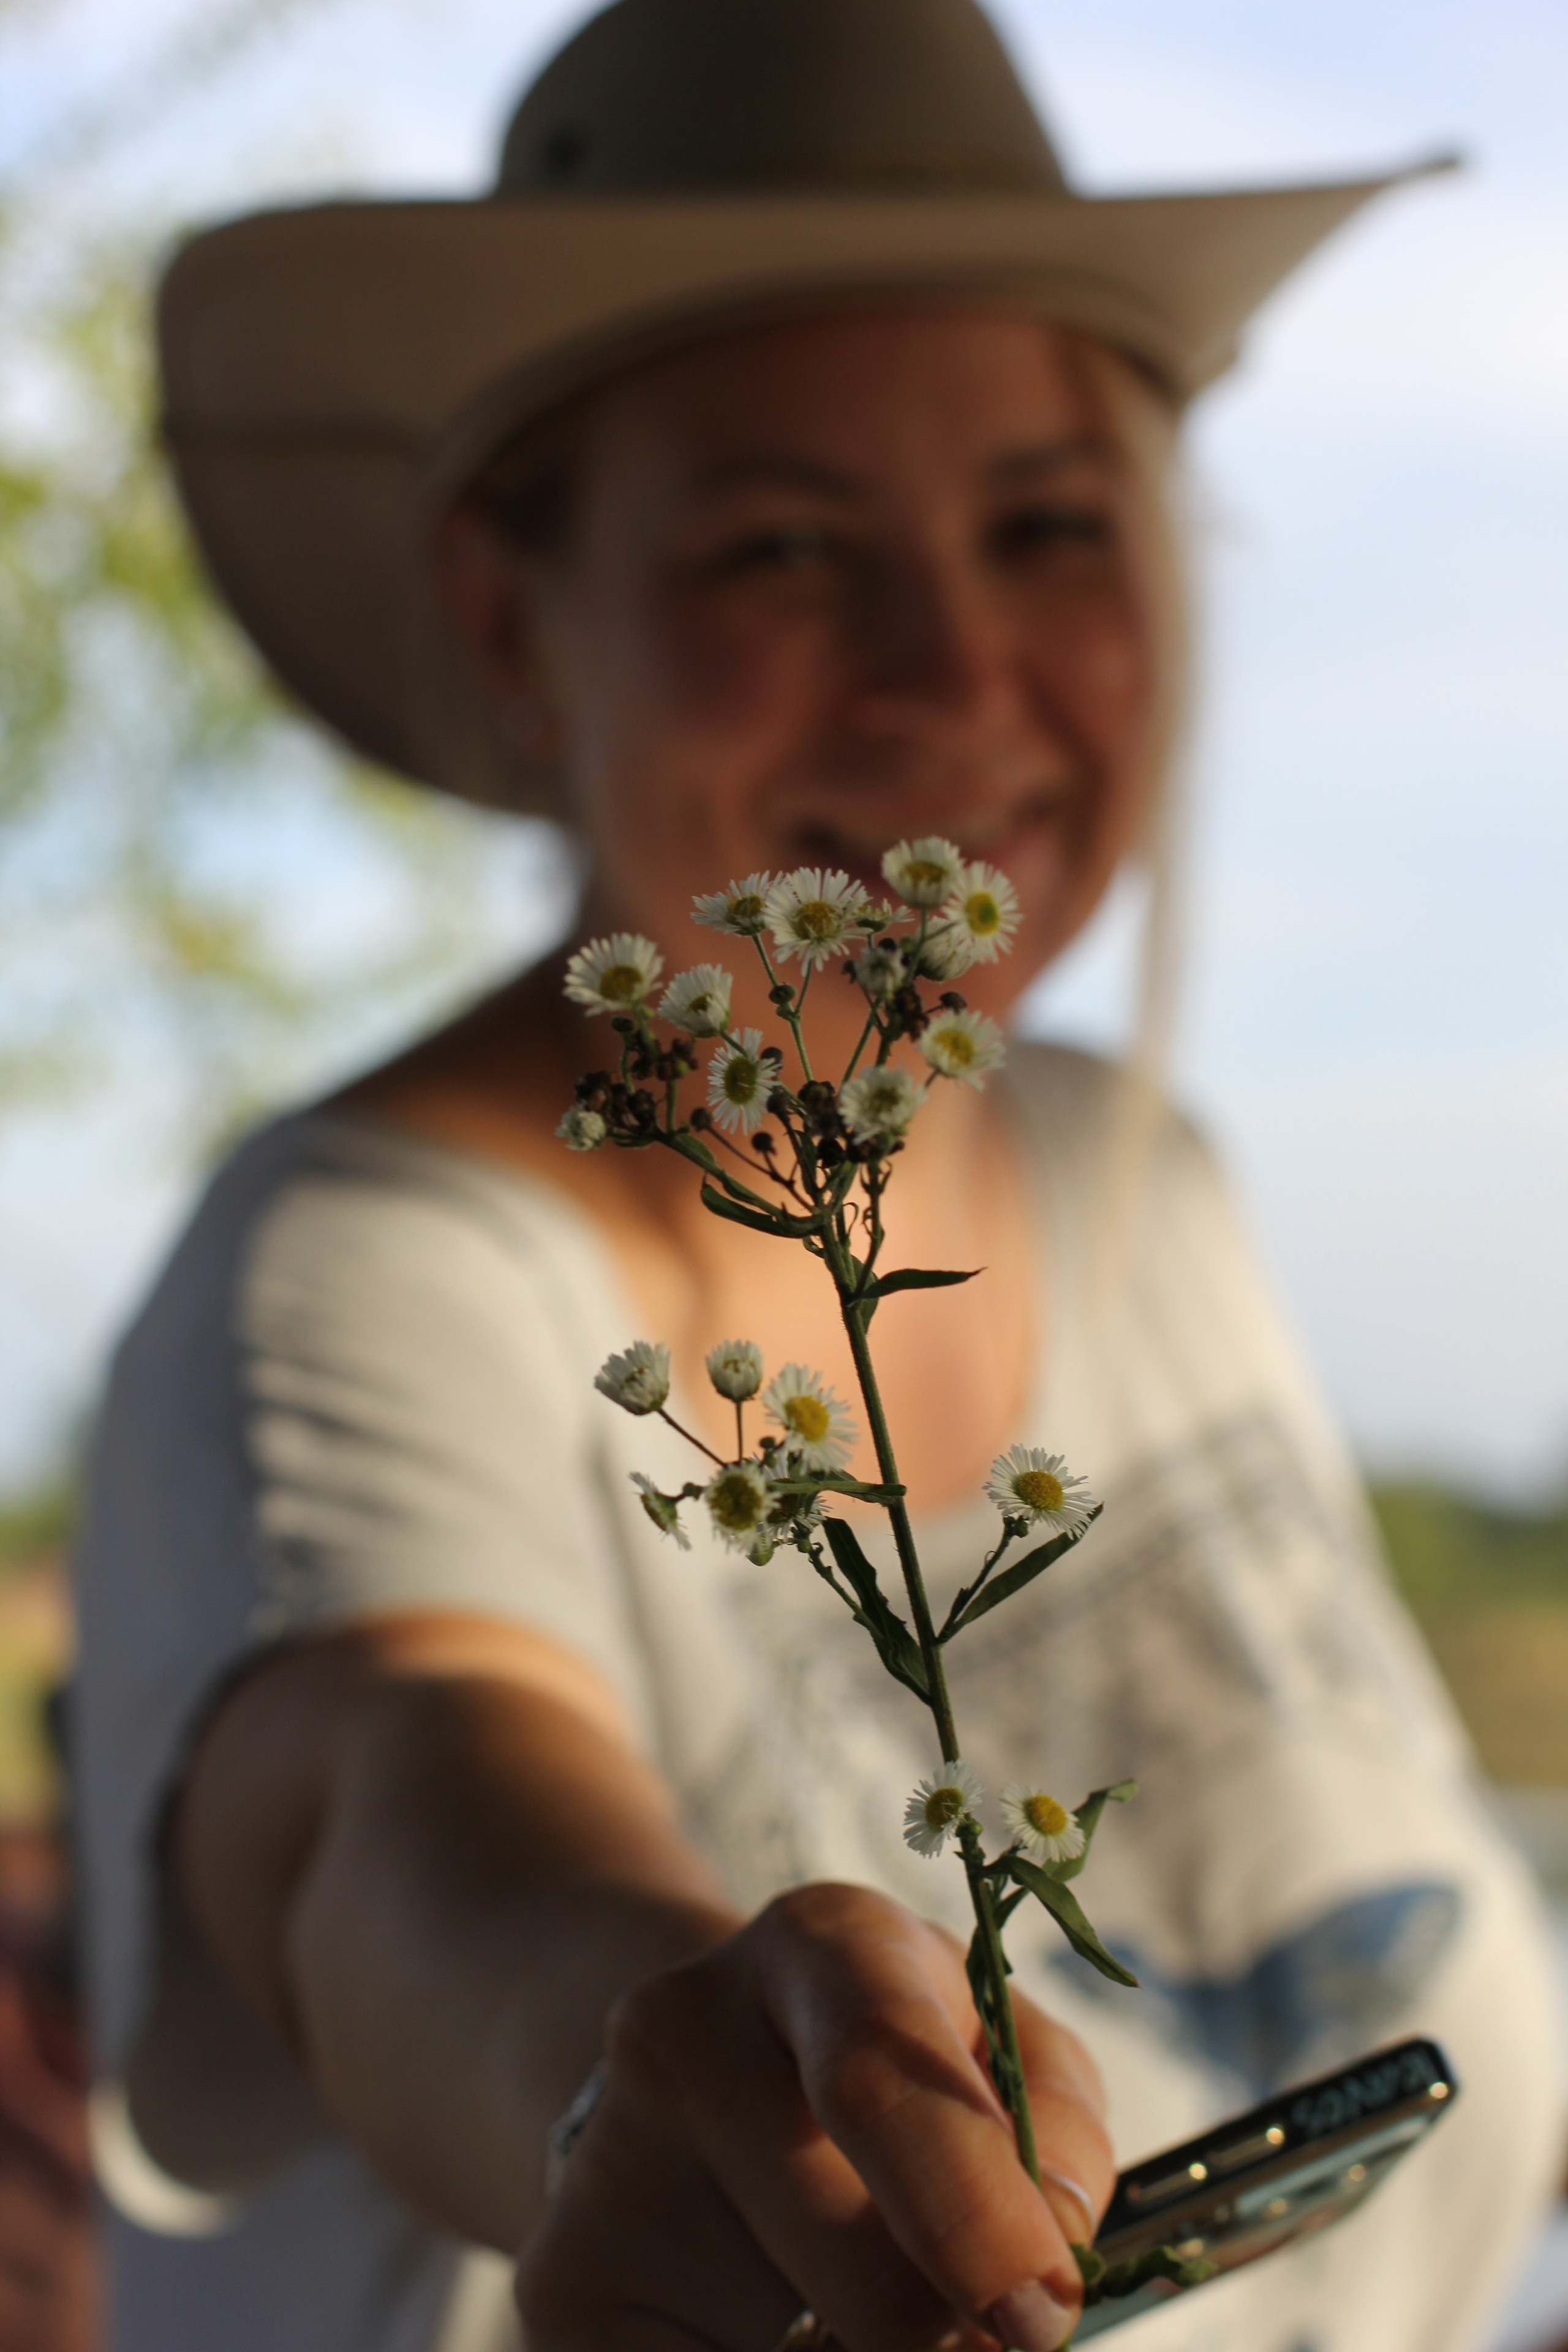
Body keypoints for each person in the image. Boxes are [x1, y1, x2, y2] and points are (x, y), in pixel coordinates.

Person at [70, 2, 1564, 2348]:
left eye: (1047, 526)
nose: (953, 672)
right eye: (782, 546)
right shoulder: (365, 1269)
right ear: (510, 613)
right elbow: (391, 1822)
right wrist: (654, 2087)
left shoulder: (1140, 1179)